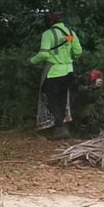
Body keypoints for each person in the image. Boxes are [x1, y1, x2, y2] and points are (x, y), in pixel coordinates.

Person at [30, 11, 83, 140]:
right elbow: (78, 52)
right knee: (62, 99)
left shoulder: (48, 34)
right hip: (68, 71)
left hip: (53, 72)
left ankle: (60, 127)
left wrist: (31, 61)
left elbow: (44, 54)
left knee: (49, 99)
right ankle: (61, 127)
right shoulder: (70, 34)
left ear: (49, 22)